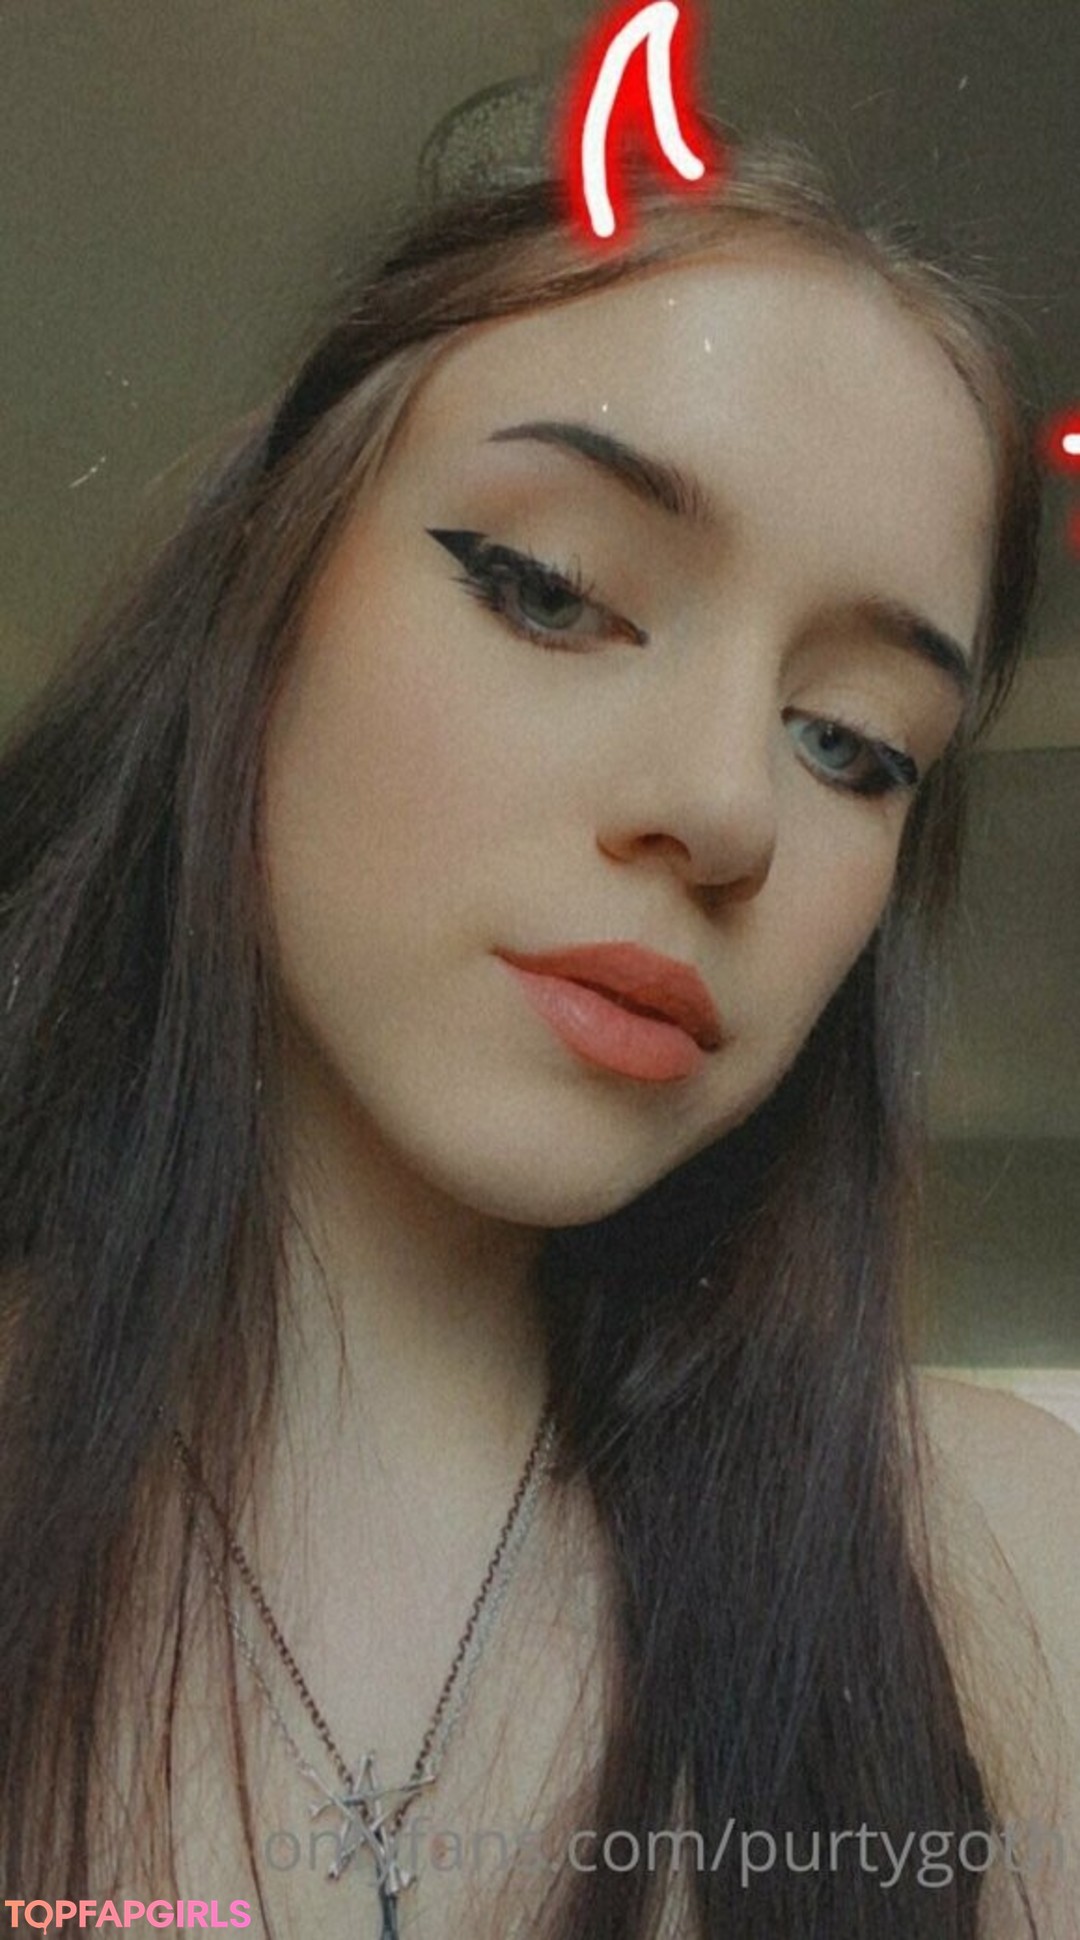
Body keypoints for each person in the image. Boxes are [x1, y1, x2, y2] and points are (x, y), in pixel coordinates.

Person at [0, 120, 1077, 1940]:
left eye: (853, 743)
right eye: (555, 591)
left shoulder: (1021, 1579)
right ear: (260, 608)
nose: (725, 809)